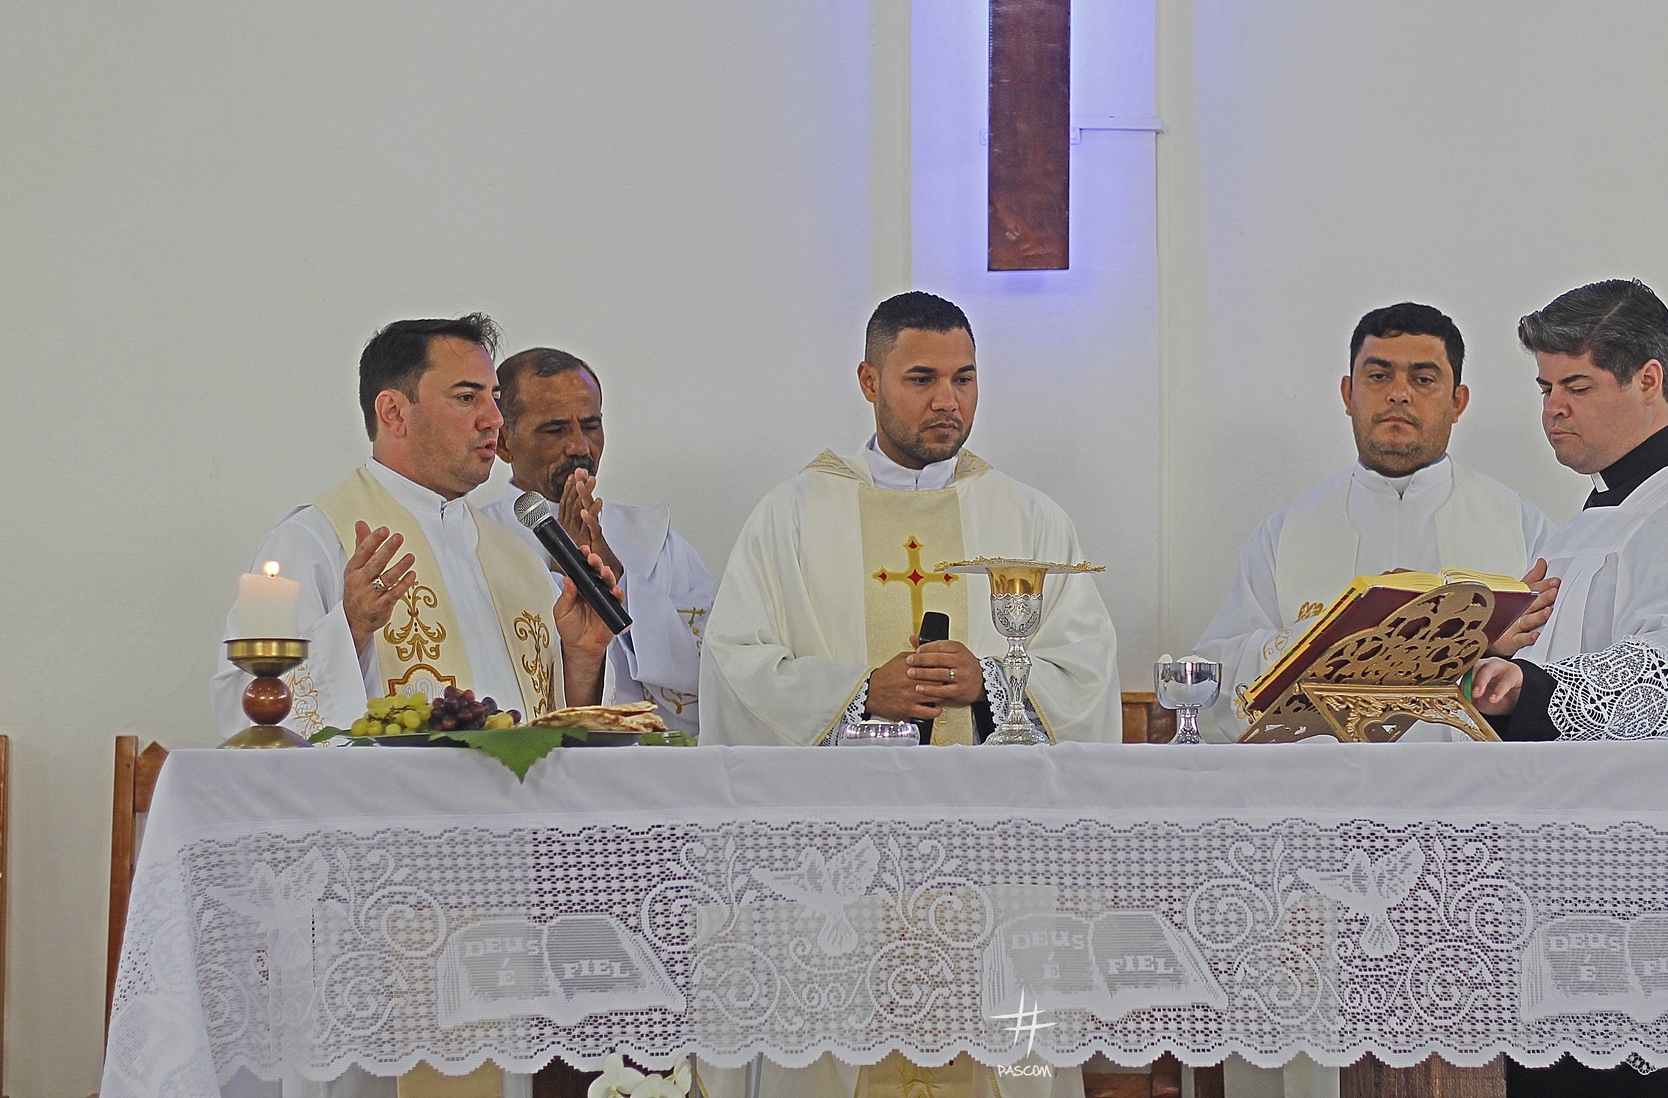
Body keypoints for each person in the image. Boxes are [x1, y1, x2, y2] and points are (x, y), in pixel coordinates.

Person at [698, 291, 1117, 1098]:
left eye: (964, 378)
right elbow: (734, 667)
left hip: (993, 859)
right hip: (836, 865)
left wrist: (991, 683)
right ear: (869, 381)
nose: (947, 401)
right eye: (921, 379)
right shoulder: (790, 516)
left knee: (1003, 1053)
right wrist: (860, 692)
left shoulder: (1027, 517)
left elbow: (1087, 670)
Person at [1466, 280, 1668, 1098]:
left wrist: (1529, 689)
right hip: (1570, 881)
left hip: (1655, 891)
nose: (1553, 410)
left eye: (1576, 386)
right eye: (1545, 388)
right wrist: (1496, 653)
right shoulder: (1599, 515)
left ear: (1649, 379)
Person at [211, 315, 620, 741]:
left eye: (495, 398)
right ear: (393, 413)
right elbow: (243, 712)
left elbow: (559, 731)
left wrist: (582, 658)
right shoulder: (316, 540)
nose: (494, 419)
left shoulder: (518, 556)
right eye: (467, 398)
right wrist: (351, 628)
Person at [1195, 301, 1556, 741]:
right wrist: (1342, 629)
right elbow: (1222, 673)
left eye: (1423, 379)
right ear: (1348, 394)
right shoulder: (1285, 533)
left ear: (1458, 402)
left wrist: (1483, 646)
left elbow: (1561, 672)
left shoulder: (1521, 526)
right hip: (1325, 778)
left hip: (1466, 777)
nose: (1399, 394)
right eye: (1379, 376)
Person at [479, 347, 718, 735]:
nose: (579, 446)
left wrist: (621, 580)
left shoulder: (655, 540)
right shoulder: (477, 541)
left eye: (590, 426)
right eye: (555, 430)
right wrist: (562, 577)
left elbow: (714, 664)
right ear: (504, 443)